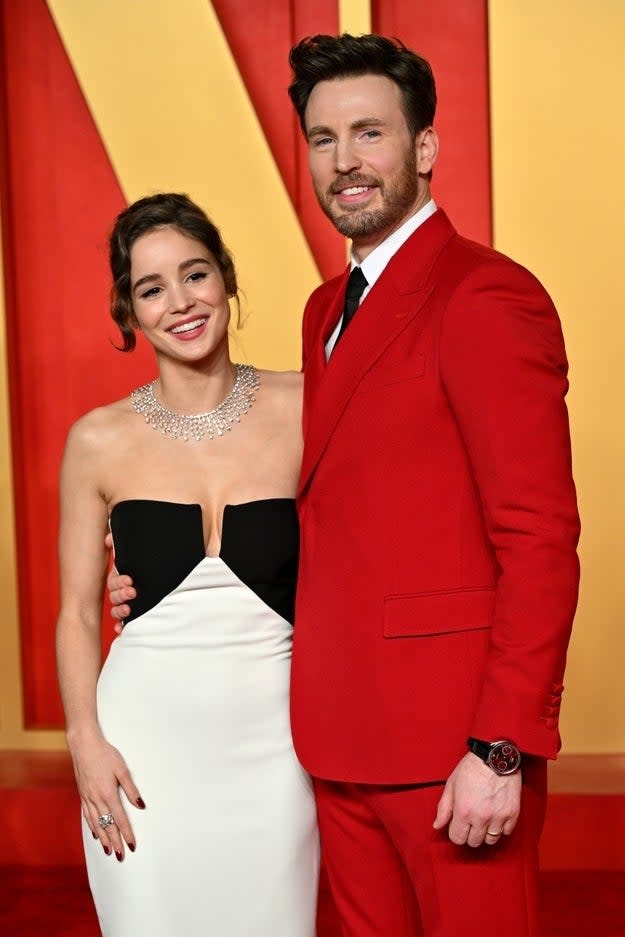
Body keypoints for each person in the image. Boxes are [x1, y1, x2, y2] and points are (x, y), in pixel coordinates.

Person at [108, 35, 580, 937]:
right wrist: (160, 569)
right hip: (331, 733)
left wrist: (499, 745)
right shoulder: (325, 308)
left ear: (425, 149)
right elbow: (335, 504)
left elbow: (538, 538)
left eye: (369, 133)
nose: (345, 161)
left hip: (453, 744)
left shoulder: (486, 296)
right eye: (323, 139)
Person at [55, 192, 319, 937]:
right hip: (139, 750)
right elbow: (77, 610)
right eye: (151, 288)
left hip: (275, 753)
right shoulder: (98, 440)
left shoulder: (307, 406)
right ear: (129, 313)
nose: (180, 302)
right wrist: (86, 743)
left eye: (195, 274)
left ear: (227, 278)